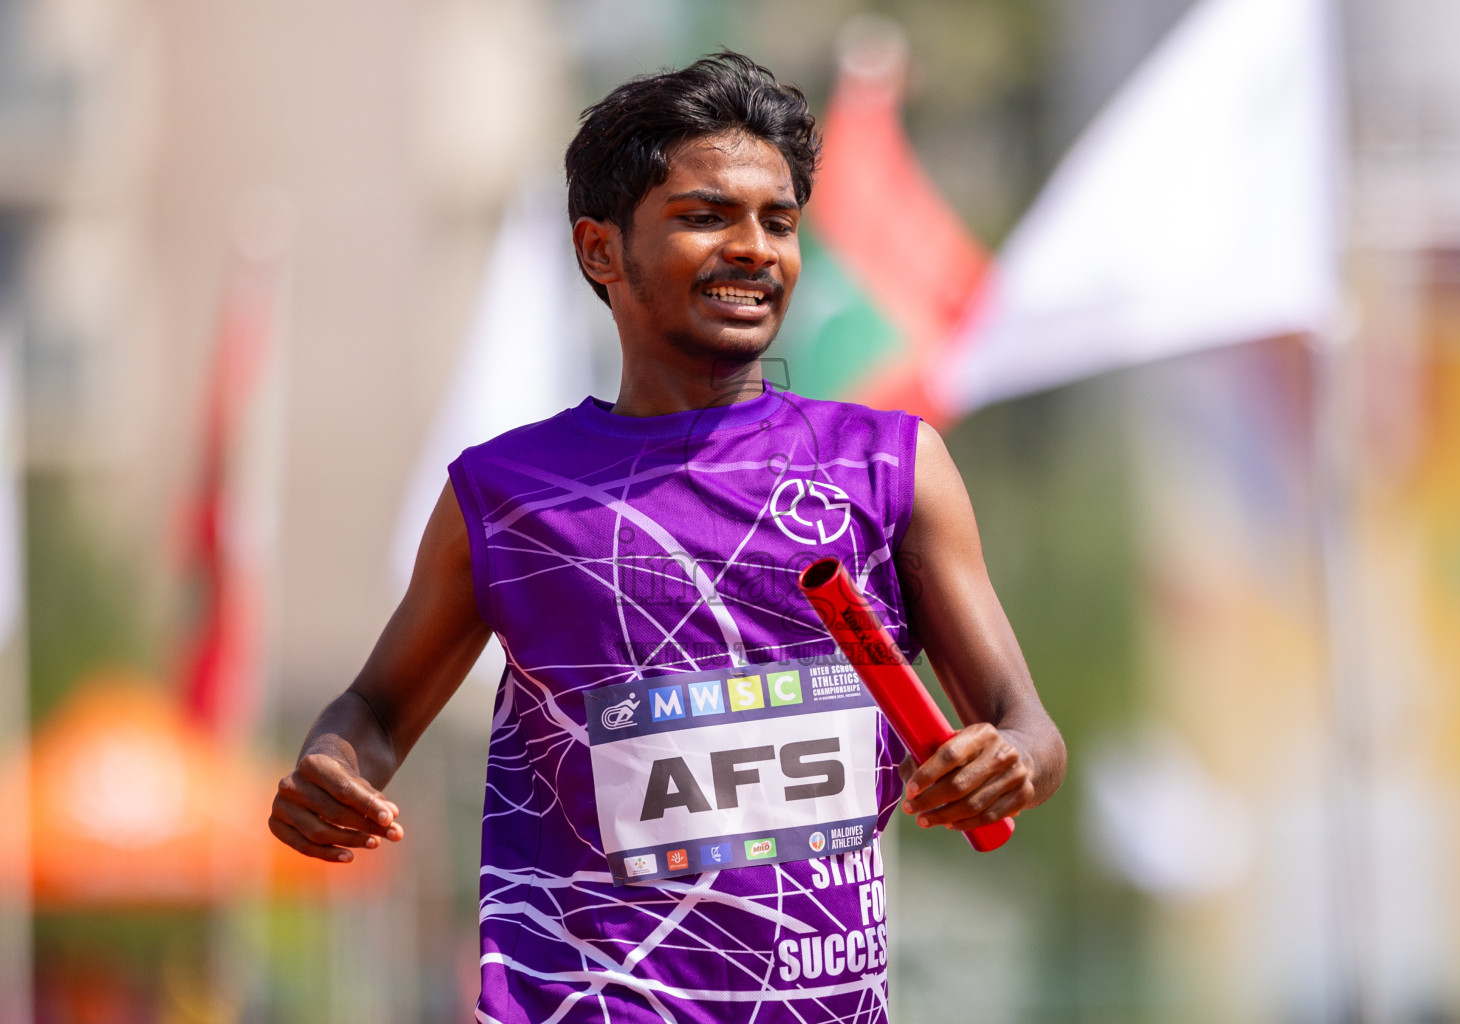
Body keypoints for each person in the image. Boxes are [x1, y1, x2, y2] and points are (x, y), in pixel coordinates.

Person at [269, 51, 1065, 1024]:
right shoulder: (506, 492)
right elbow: (375, 711)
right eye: (706, 216)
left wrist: (1008, 759)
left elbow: (1024, 721)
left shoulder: (890, 465)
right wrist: (332, 771)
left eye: (778, 220)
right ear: (601, 250)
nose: (754, 248)